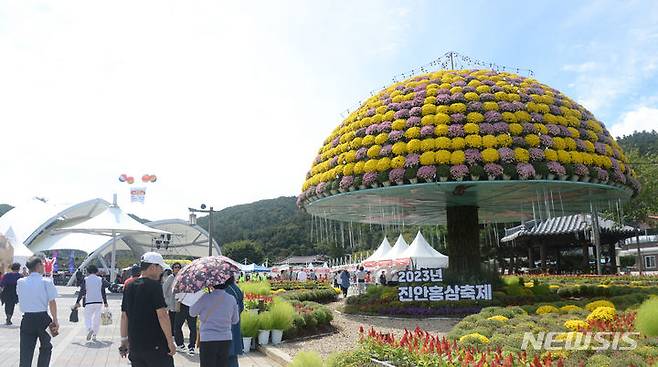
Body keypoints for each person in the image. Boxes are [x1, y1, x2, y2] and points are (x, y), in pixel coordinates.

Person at [120, 252, 175, 367]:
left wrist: (124, 340)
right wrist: (170, 342)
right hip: (155, 345)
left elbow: (124, 316)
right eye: (160, 267)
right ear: (152, 267)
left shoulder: (129, 286)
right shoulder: (155, 286)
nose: (161, 271)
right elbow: (162, 315)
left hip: (135, 345)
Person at [17, 256, 59, 367]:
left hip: (27, 319)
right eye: (43, 264)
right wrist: (55, 320)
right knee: (46, 347)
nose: (45, 266)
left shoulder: (21, 282)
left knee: (26, 350)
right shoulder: (46, 281)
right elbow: (52, 302)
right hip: (43, 318)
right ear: (38, 266)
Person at [190, 280, 239, 367]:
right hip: (225, 338)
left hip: (208, 338)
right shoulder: (231, 299)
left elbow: (192, 313)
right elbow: (235, 320)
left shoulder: (204, 297)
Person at [74, 264, 108, 341]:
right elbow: (103, 291)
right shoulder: (100, 279)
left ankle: (90, 329)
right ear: (96, 271)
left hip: (89, 301)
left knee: (87, 317)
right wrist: (105, 302)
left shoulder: (86, 279)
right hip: (99, 301)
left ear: (88, 271)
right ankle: (95, 335)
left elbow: (82, 291)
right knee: (96, 319)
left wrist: (77, 301)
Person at [225, 276, 244, 367]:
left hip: (226, 327)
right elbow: (241, 308)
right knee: (233, 357)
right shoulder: (236, 289)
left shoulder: (225, 290)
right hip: (235, 324)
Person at [162, 262, 182, 338]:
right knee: (172, 318)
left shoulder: (181, 277)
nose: (177, 269)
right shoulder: (170, 278)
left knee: (177, 319)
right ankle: (172, 334)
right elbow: (164, 289)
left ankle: (175, 333)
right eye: (175, 267)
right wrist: (167, 300)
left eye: (178, 267)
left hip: (179, 302)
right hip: (171, 302)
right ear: (173, 269)